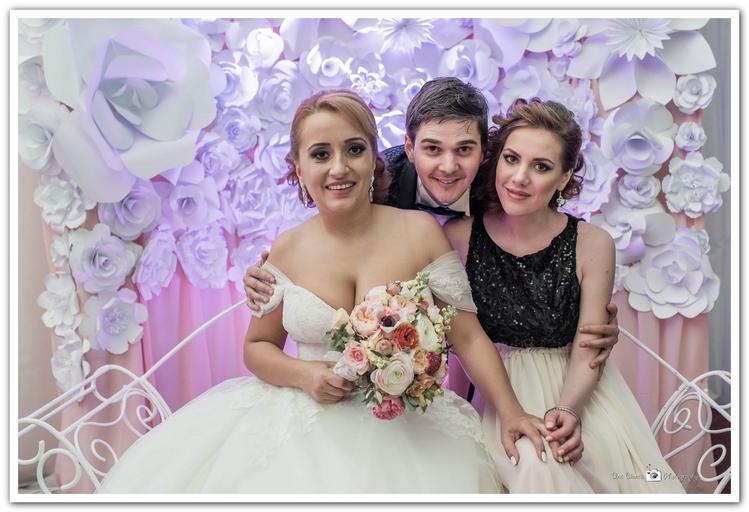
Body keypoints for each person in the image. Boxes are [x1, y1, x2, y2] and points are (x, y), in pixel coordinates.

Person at [98, 90, 563, 494]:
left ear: (374, 159)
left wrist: (511, 412)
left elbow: (468, 336)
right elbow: (257, 348)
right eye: (320, 154)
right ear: (298, 168)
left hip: (405, 425)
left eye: (354, 150)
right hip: (299, 422)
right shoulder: (287, 248)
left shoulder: (420, 232)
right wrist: (304, 375)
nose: (339, 168)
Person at [245, 78, 621, 409]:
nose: (447, 166)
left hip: (479, 357)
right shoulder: (371, 183)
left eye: (464, 149)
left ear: (485, 151)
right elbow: (332, 240)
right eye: (432, 149)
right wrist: (275, 277)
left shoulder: (510, 190)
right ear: (409, 148)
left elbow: (540, 264)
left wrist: (579, 317)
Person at [443, 97, 685, 493]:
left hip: (574, 390)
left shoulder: (592, 242)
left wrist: (569, 409)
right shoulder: (459, 236)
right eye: (511, 159)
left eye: (541, 167)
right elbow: (461, 340)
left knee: (585, 468)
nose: (519, 177)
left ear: (564, 176)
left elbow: (590, 343)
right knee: (530, 465)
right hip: (493, 392)